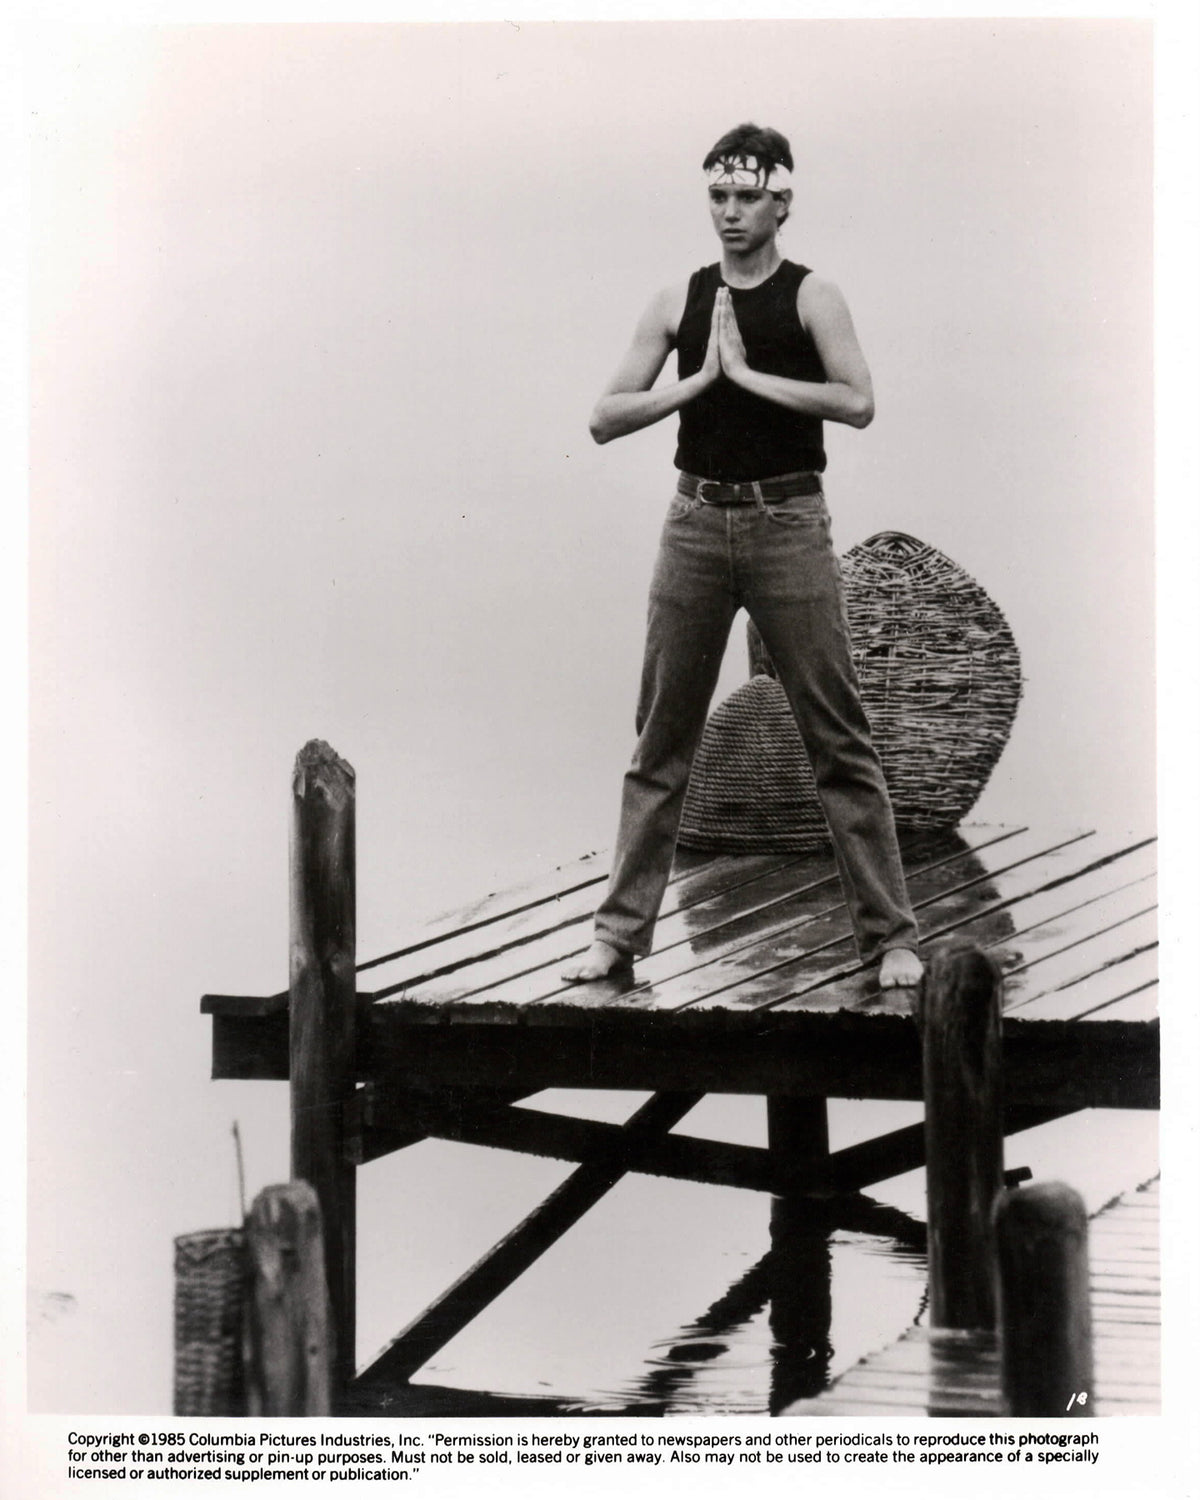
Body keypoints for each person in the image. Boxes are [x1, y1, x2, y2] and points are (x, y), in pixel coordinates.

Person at [563, 123, 922, 990]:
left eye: (748, 196)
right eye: (719, 196)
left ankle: (891, 937)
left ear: (783, 202)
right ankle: (618, 935)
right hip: (694, 522)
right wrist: (697, 380)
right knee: (661, 738)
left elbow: (859, 400)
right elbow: (605, 416)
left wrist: (749, 375)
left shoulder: (812, 296)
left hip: (787, 522)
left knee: (837, 736)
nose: (730, 212)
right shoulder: (678, 300)